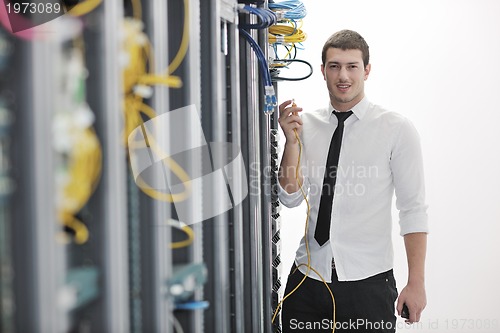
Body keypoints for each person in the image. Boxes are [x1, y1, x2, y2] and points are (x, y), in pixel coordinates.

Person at [277, 29, 428, 333]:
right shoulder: (306, 125)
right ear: (323, 71)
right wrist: (291, 144)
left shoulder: (396, 128)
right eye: (334, 66)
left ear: (366, 70)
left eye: (352, 66)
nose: (342, 75)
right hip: (307, 281)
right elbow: (290, 197)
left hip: (367, 286)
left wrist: (416, 283)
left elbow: (413, 210)